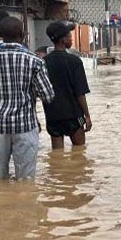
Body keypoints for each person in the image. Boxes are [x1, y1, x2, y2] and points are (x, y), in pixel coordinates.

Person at [0, 16, 55, 180]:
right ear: (23, 35)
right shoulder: (35, 61)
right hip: (26, 126)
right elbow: (48, 95)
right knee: (26, 181)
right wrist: (31, 92)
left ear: (0, 34)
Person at [42, 20, 92, 149]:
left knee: (57, 154)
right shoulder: (75, 61)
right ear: (63, 40)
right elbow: (80, 93)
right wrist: (87, 116)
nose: (71, 39)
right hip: (74, 115)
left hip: (52, 116)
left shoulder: (43, 62)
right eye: (69, 36)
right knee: (79, 151)